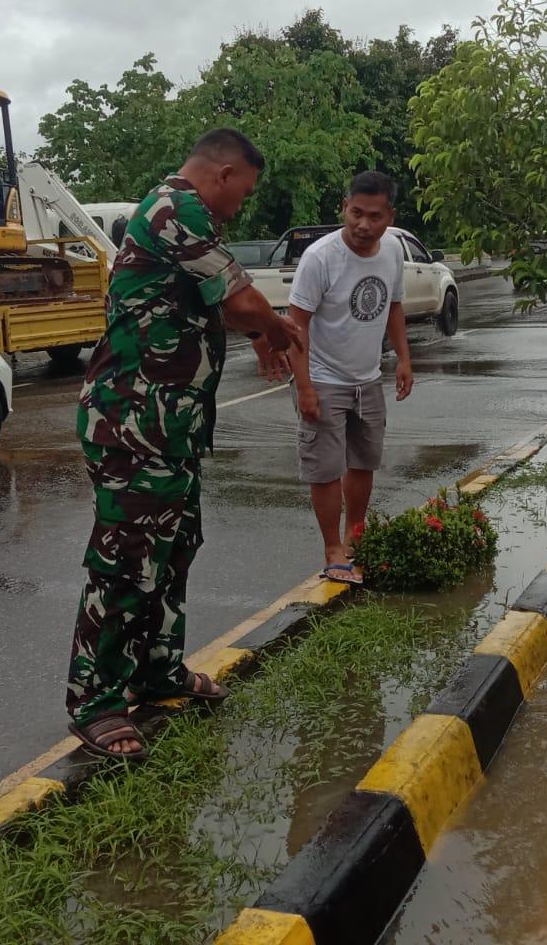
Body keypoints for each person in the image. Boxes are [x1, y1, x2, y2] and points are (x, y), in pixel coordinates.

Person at [68, 127, 303, 761]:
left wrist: (253, 330)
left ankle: (158, 672)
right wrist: (276, 329)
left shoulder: (184, 218)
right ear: (222, 175)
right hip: (131, 422)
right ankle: (97, 702)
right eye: (243, 192)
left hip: (169, 427)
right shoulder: (175, 208)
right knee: (126, 559)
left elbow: (208, 302)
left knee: (172, 551)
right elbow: (241, 297)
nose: (240, 207)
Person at [285, 170, 414, 584]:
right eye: (356, 213)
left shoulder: (393, 251)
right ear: (344, 207)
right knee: (324, 468)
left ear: (389, 215)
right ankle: (333, 550)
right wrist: (304, 386)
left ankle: (354, 538)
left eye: (374, 216)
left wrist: (404, 360)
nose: (363, 225)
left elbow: (393, 307)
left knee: (363, 462)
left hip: (368, 378)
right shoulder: (320, 257)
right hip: (323, 378)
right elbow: (296, 325)